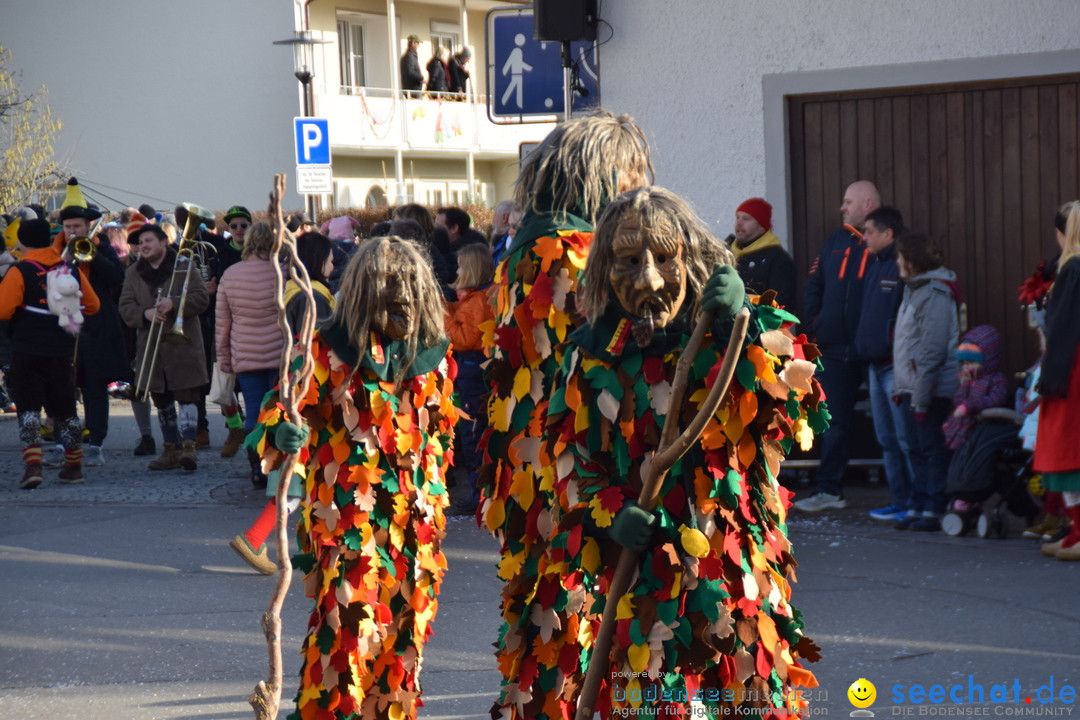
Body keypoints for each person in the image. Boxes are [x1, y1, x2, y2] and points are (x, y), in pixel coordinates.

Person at [521, 186, 822, 718]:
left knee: (741, 704)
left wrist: (742, 320)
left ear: (691, 258)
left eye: (664, 259)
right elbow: (570, 462)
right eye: (631, 262)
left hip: (732, 581)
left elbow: (793, 404)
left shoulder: (721, 335)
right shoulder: (591, 356)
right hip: (643, 587)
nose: (651, 280)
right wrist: (612, 513)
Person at [480, 110, 653, 719]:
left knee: (546, 630)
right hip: (566, 477)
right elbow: (600, 359)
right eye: (632, 174)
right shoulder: (568, 253)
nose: (639, 190)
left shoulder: (531, 245)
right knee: (564, 634)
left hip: (537, 474)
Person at [246, 236, 458, 718]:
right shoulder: (325, 350)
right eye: (387, 284)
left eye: (408, 284)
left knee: (401, 649)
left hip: (415, 537)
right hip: (345, 526)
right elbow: (278, 408)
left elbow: (440, 443)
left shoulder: (436, 359)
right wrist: (282, 431)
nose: (399, 294)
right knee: (344, 642)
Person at [229, 230, 335, 575]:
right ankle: (255, 537)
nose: (334, 264)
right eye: (331, 258)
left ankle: (308, 548)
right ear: (319, 261)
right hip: (309, 390)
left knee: (303, 475)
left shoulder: (292, 291)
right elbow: (319, 348)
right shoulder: (313, 296)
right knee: (300, 476)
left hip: (293, 384)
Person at [795, 180, 880, 512]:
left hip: (872, 350)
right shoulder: (833, 241)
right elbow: (814, 282)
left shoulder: (885, 243)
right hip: (834, 349)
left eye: (848, 201)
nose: (842, 208)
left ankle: (909, 496)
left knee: (892, 424)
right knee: (833, 422)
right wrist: (816, 325)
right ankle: (829, 490)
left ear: (867, 204)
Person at [0, 218, 100, 488]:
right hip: (62, 350)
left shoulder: (19, 271)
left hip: (27, 349)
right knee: (66, 409)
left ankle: (33, 466)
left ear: (21, 241)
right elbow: (92, 305)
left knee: (29, 409)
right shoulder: (69, 270)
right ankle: (74, 466)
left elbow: (4, 310)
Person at [119, 222, 210, 471]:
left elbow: (202, 298)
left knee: (188, 395)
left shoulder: (185, 265)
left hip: (184, 345)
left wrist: (175, 303)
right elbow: (125, 306)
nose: (143, 246)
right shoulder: (133, 272)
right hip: (151, 344)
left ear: (163, 242)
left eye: (148, 241)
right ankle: (171, 449)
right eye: (140, 243)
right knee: (161, 399)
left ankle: (189, 448)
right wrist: (145, 313)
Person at [55, 178, 128, 467]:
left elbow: (116, 279)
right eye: (68, 227)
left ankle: (96, 443)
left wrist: (92, 255)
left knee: (95, 388)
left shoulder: (100, 246)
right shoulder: (54, 251)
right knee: (61, 387)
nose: (72, 231)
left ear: (87, 227)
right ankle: (64, 442)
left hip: (97, 328)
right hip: (64, 327)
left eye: (77, 227)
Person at [892, 231, 960, 532]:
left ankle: (934, 506)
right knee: (916, 448)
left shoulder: (934, 293)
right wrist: (900, 386)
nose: (896, 261)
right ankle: (918, 503)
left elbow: (932, 351)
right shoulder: (914, 289)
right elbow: (908, 343)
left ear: (913, 261)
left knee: (931, 448)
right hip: (913, 387)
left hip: (930, 389)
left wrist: (920, 398)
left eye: (900, 256)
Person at [854, 205, 914, 522]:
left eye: (869, 232)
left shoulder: (903, 265)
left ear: (888, 234)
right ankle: (900, 500)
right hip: (875, 366)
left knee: (906, 439)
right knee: (887, 440)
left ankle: (917, 503)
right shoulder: (876, 264)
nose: (864, 238)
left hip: (895, 366)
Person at [216, 221, 286, 488]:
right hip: (279, 353)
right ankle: (278, 466)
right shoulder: (283, 273)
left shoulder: (231, 274)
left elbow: (223, 323)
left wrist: (224, 357)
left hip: (245, 355)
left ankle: (256, 467)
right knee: (279, 411)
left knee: (253, 411)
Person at [1033, 201, 1080, 560]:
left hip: (1071, 370)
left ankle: (1077, 532)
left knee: (1067, 450)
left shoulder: (1073, 270)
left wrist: (1050, 378)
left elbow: (1062, 330)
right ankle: (1073, 532)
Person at [444, 242, 494, 514]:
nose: (457, 269)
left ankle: (478, 496)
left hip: (473, 370)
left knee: (473, 433)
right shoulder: (477, 297)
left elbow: (463, 338)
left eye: (461, 265)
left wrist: (442, 312)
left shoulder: (478, 300)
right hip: (475, 369)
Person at [216, 205, 252, 457]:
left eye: (244, 225)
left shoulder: (258, 253)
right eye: (234, 226)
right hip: (223, 322)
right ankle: (234, 427)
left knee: (250, 384)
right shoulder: (219, 252)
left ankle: (251, 432)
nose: (238, 230)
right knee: (223, 385)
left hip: (250, 325)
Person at [941, 325, 1007, 451]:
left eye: (971, 363)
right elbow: (958, 401)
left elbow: (996, 400)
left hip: (979, 428)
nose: (966, 367)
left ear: (987, 360)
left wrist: (970, 406)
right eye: (964, 363)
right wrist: (964, 385)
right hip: (960, 427)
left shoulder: (996, 379)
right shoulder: (966, 378)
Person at [729, 197, 796, 309]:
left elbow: (780, 307)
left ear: (761, 227)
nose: (739, 223)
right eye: (737, 217)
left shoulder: (777, 259)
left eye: (746, 219)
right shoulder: (726, 253)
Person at [400, 34, 424, 98]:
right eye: (417, 43)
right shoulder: (409, 56)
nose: (418, 45)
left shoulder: (409, 56)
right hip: (413, 89)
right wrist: (421, 78)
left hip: (412, 88)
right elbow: (410, 72)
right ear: (413, 43)